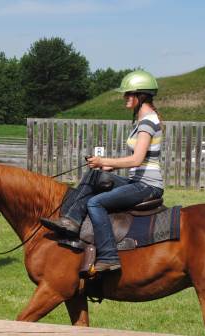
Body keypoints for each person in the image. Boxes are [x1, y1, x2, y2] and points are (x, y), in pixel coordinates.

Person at [40, 70, 164, 272]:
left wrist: (104, 160)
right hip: (136, 181)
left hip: (147, 186)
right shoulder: (141, 121)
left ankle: (108, 256)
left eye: (128, 94)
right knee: (95, 175)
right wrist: (106, 166)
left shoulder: (148, 122)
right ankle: (71, 221)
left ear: (141, 96)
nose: (125, 98)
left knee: (95, 203)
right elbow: (137, 162)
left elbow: (137, 159)